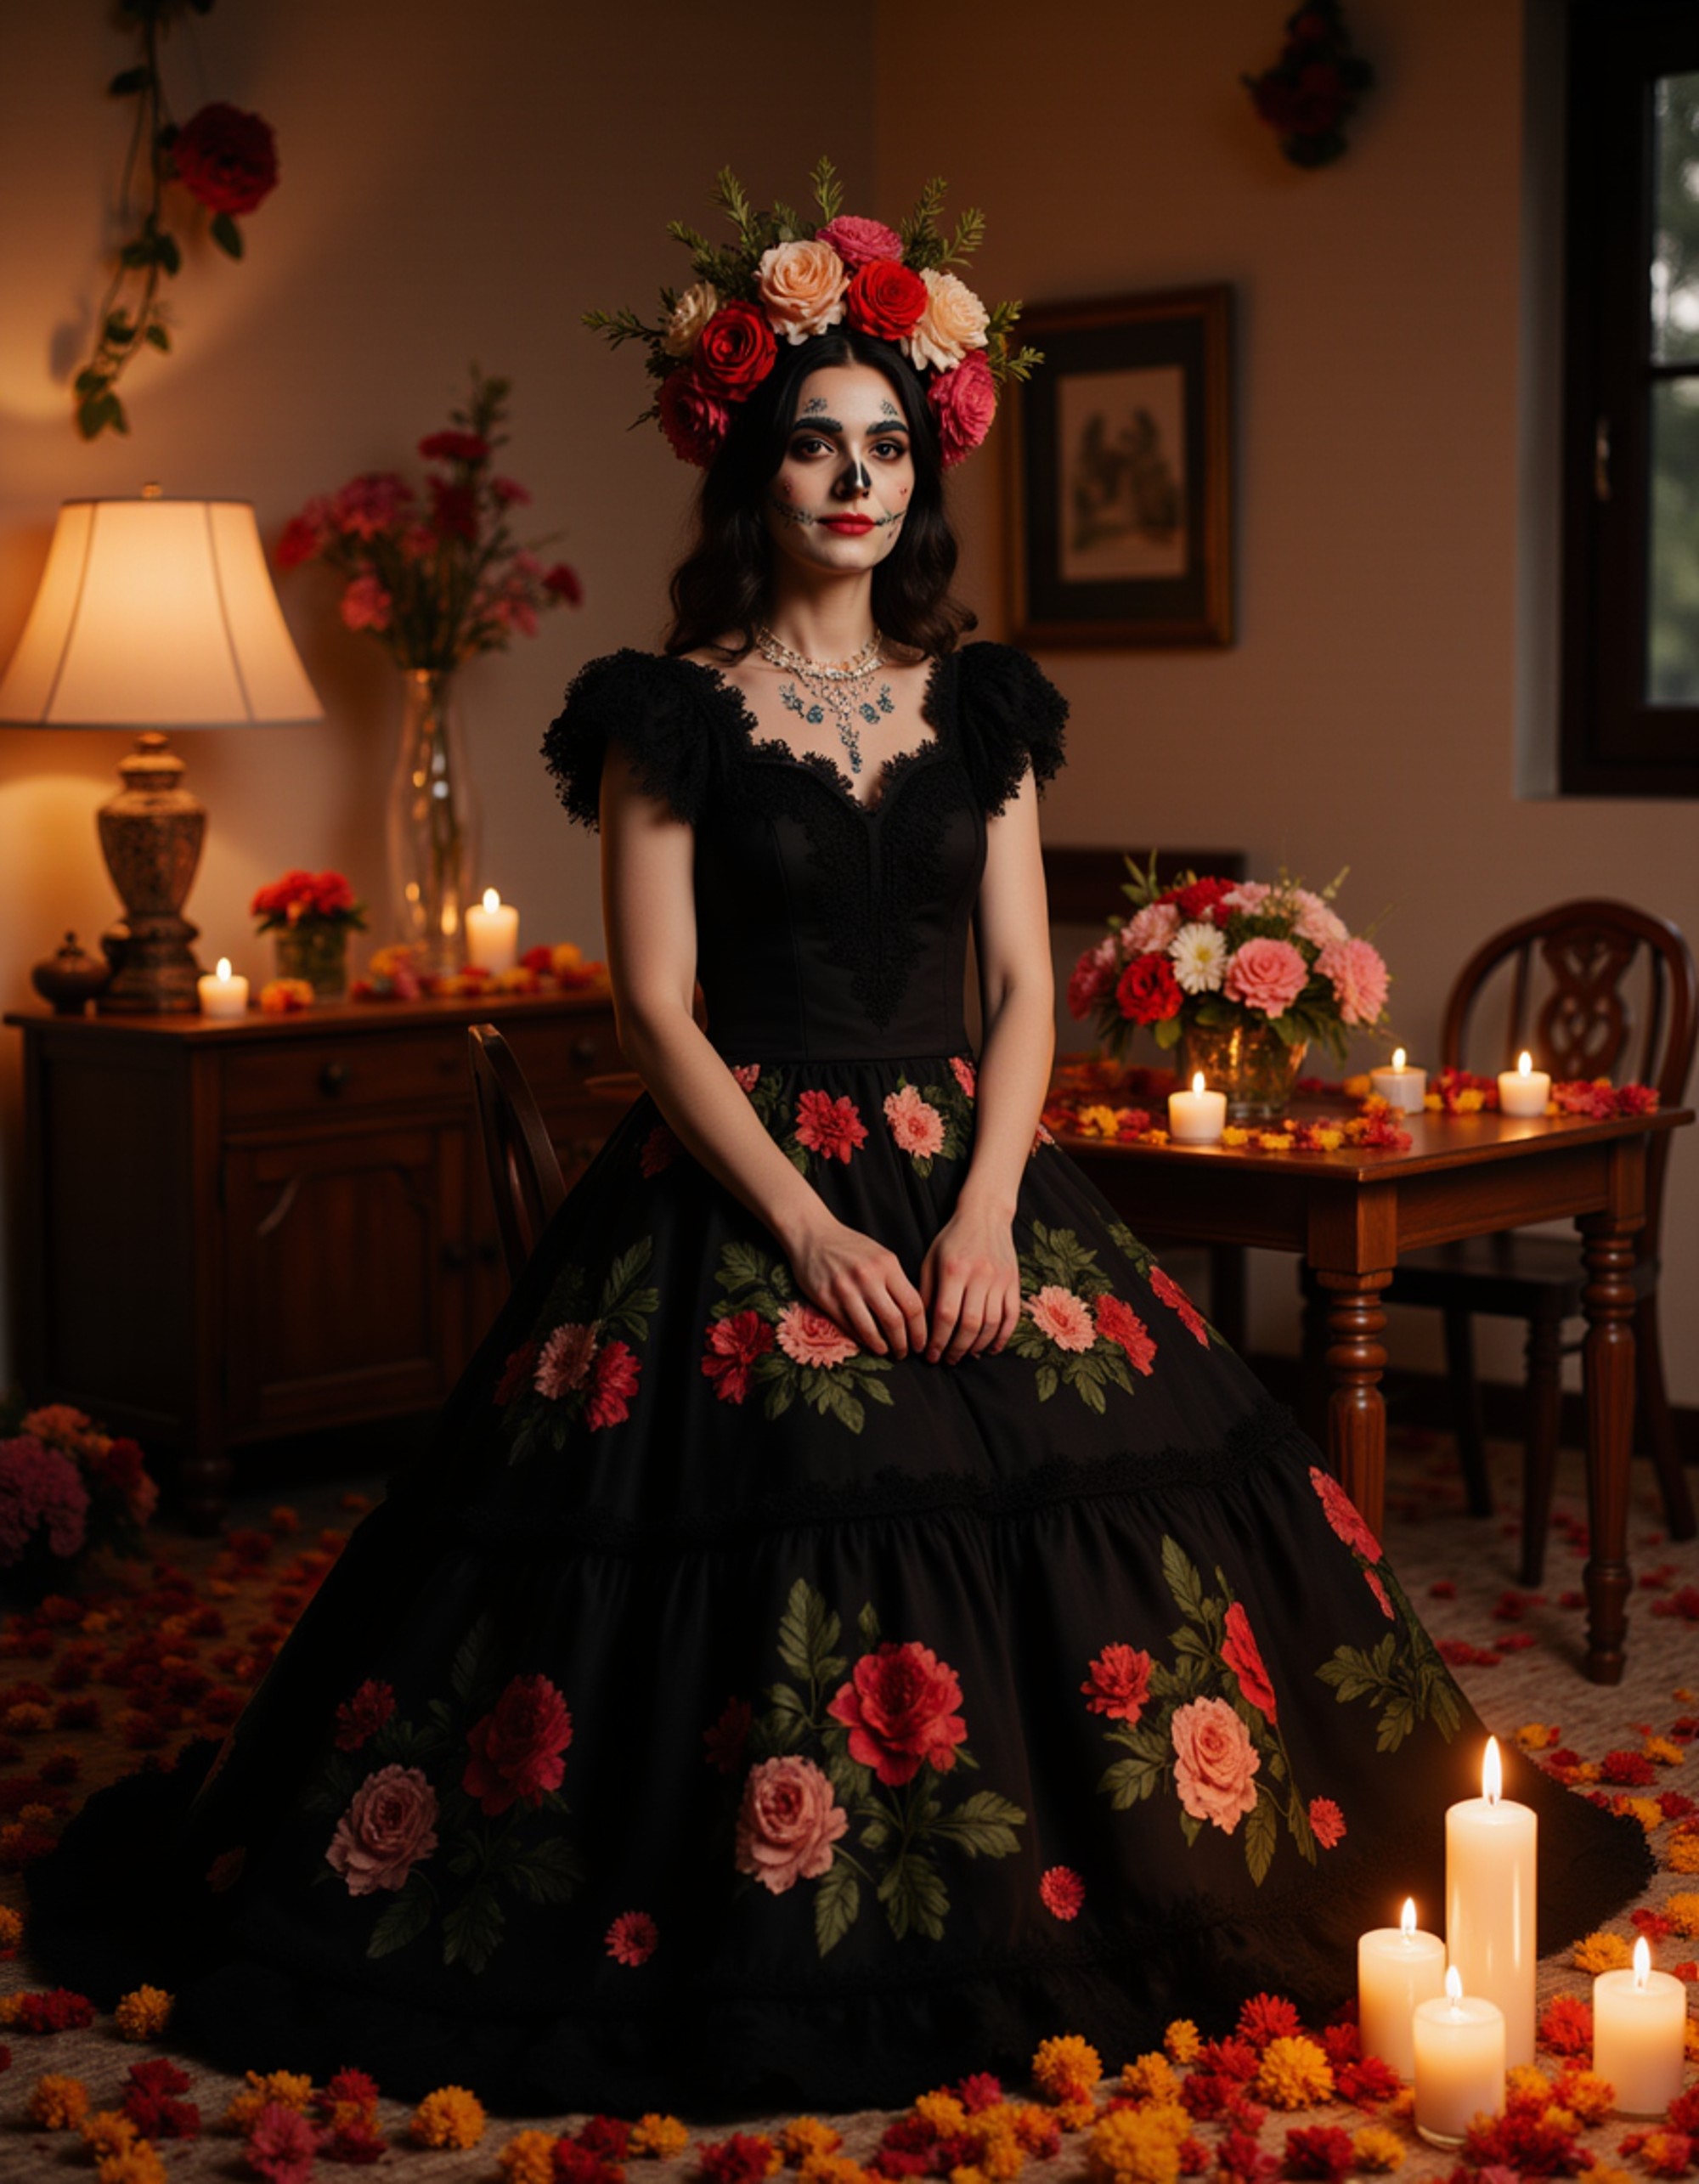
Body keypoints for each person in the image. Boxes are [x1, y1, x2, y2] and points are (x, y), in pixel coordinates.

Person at [25, 173, 1649, 2119]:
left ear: (922, 466)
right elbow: (653, 1010)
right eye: (816, 439)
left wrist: (983, 1215)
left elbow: (1026, 993)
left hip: (972, 1168)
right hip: (741, 1180)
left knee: (1120, 1538)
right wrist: (803, 1227)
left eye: (887, 442)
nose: (854, 479)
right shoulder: (664, 713)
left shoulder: (984, 706)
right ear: (750, 462)